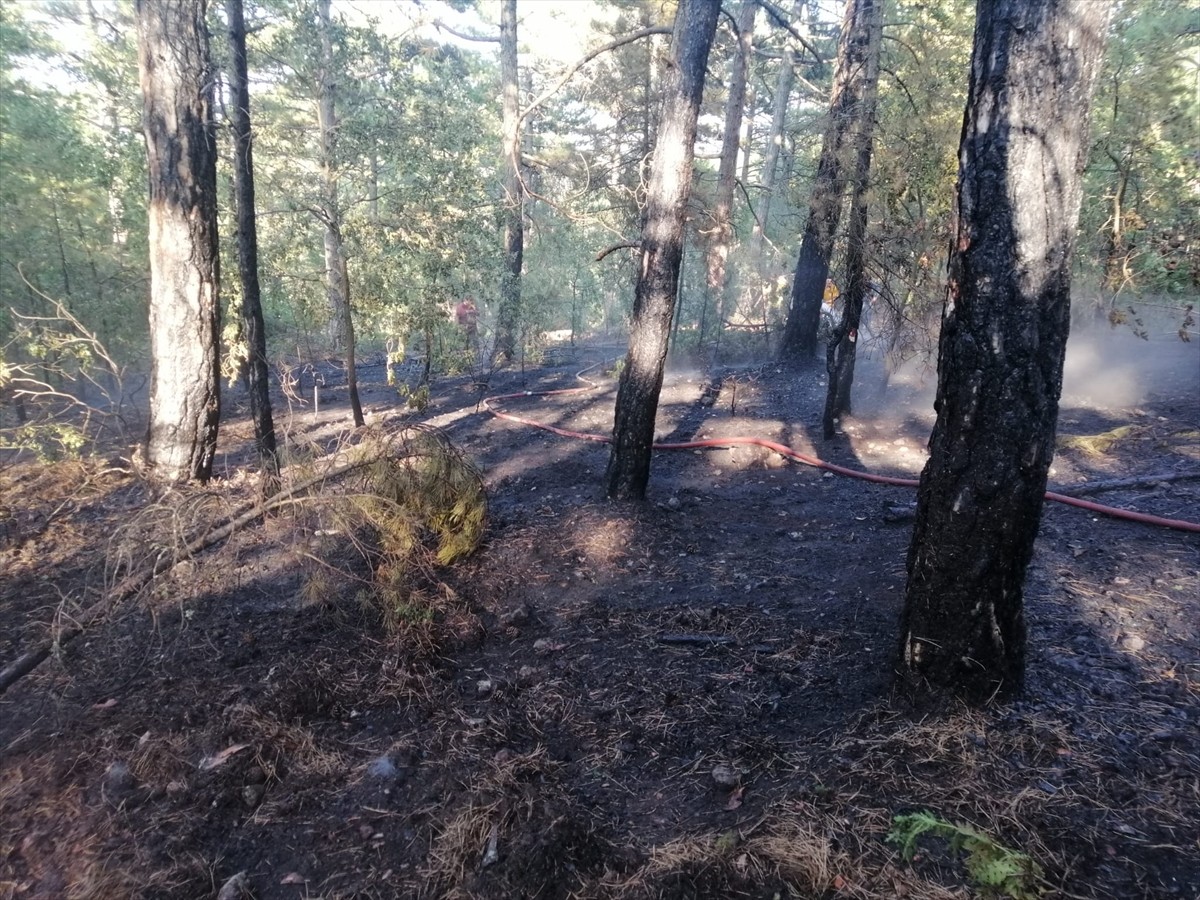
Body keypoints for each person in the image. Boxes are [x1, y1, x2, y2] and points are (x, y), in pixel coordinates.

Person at [818, 278, 841, 345]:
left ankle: (833, 329)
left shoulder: (833, 287)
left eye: (830, 281)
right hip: (823, 306)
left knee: (833, 317)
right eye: (827, 281)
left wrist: (832, 302)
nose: (829, 282)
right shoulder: (822, 287)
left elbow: (836, 297)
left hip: (831, 306)